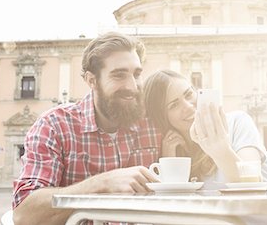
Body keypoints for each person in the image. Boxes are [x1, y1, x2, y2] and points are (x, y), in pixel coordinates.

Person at [12, 32, 161, 225]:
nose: (133, 86)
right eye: (119, 75)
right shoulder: (54, 126)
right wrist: (102, 184)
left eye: (137, 74)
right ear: (92, 80)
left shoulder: (152, 123)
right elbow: (24, 215)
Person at [143, 69, 267, 189]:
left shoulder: (237, 122)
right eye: (174, 105)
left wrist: (219, 149)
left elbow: (252, 185)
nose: (188, 106)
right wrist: (169, 159)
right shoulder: (175, 150)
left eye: (189, 94)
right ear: (163, 117)